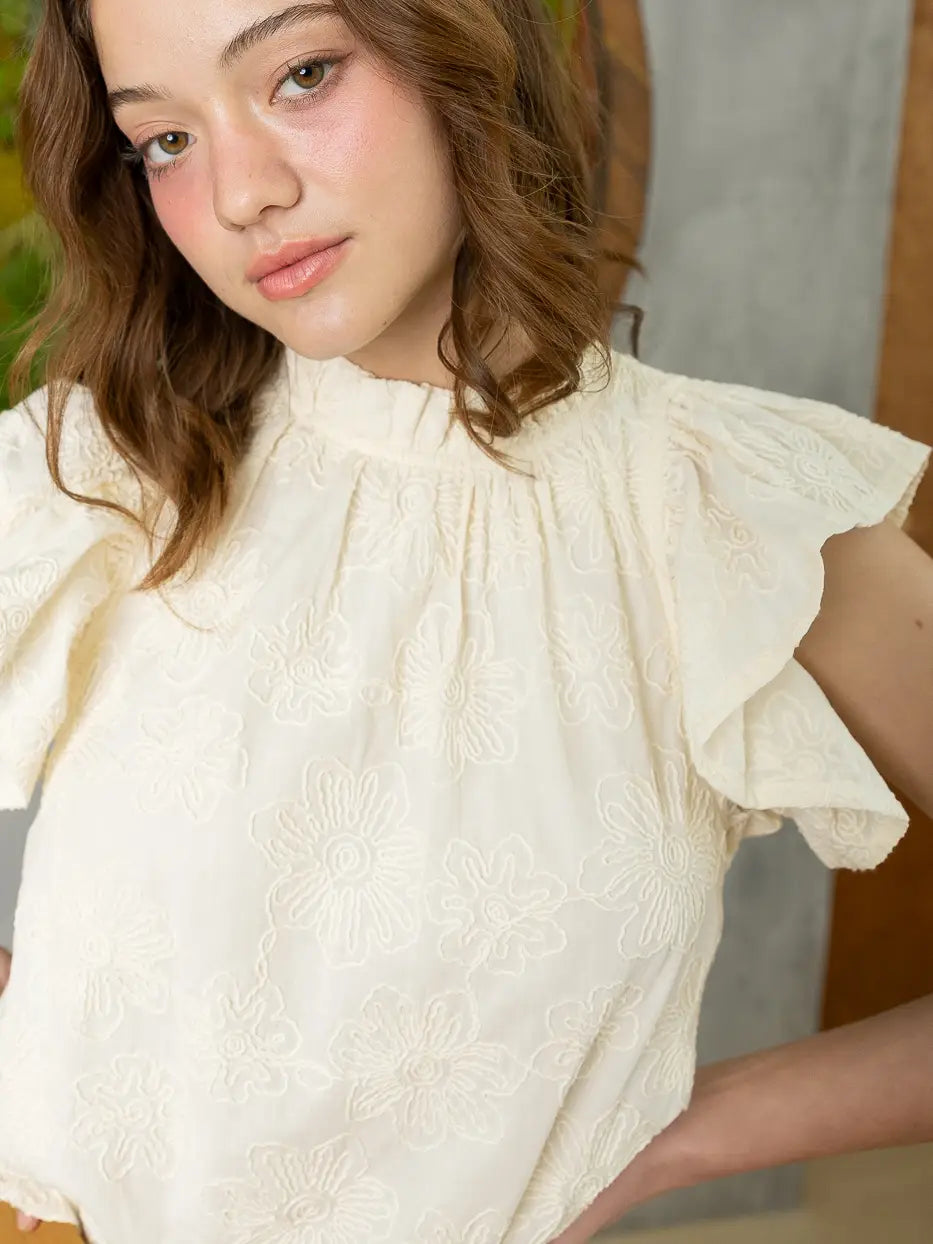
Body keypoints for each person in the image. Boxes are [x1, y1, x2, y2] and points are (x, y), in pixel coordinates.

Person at [0, 1, 931, 1242]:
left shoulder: (728, 509)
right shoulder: (109, 466)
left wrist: (676, 1134)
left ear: (458, 45)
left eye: (302, 74)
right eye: (164, 141)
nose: (240, 194)